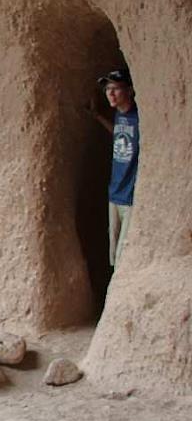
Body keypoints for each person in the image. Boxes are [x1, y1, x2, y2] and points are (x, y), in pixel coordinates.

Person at [91, 67, 139, 269]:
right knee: (113, 254)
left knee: (122, 256)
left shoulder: (138, 118)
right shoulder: (120, 116)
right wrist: (98, 117)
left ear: (129, 90)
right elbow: (119, 134)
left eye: (116, 88)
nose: (110, 93)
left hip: (129, 197)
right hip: (114, 193)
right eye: (107, 89)